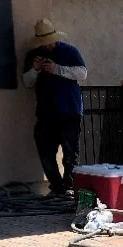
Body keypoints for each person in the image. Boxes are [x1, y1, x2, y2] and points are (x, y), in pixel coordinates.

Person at [23, 19, 87, 195]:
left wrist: (56, 69)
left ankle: (70, 187)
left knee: (70, 152)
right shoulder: (33, 55)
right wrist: (35, 69)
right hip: (46, 112)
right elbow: (26, 82)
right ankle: (57, 186)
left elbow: (82, 73)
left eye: (49, 41)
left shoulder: (69, 51)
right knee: (45, 150)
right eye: (43, 42)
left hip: (69, 110)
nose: (47, 45)